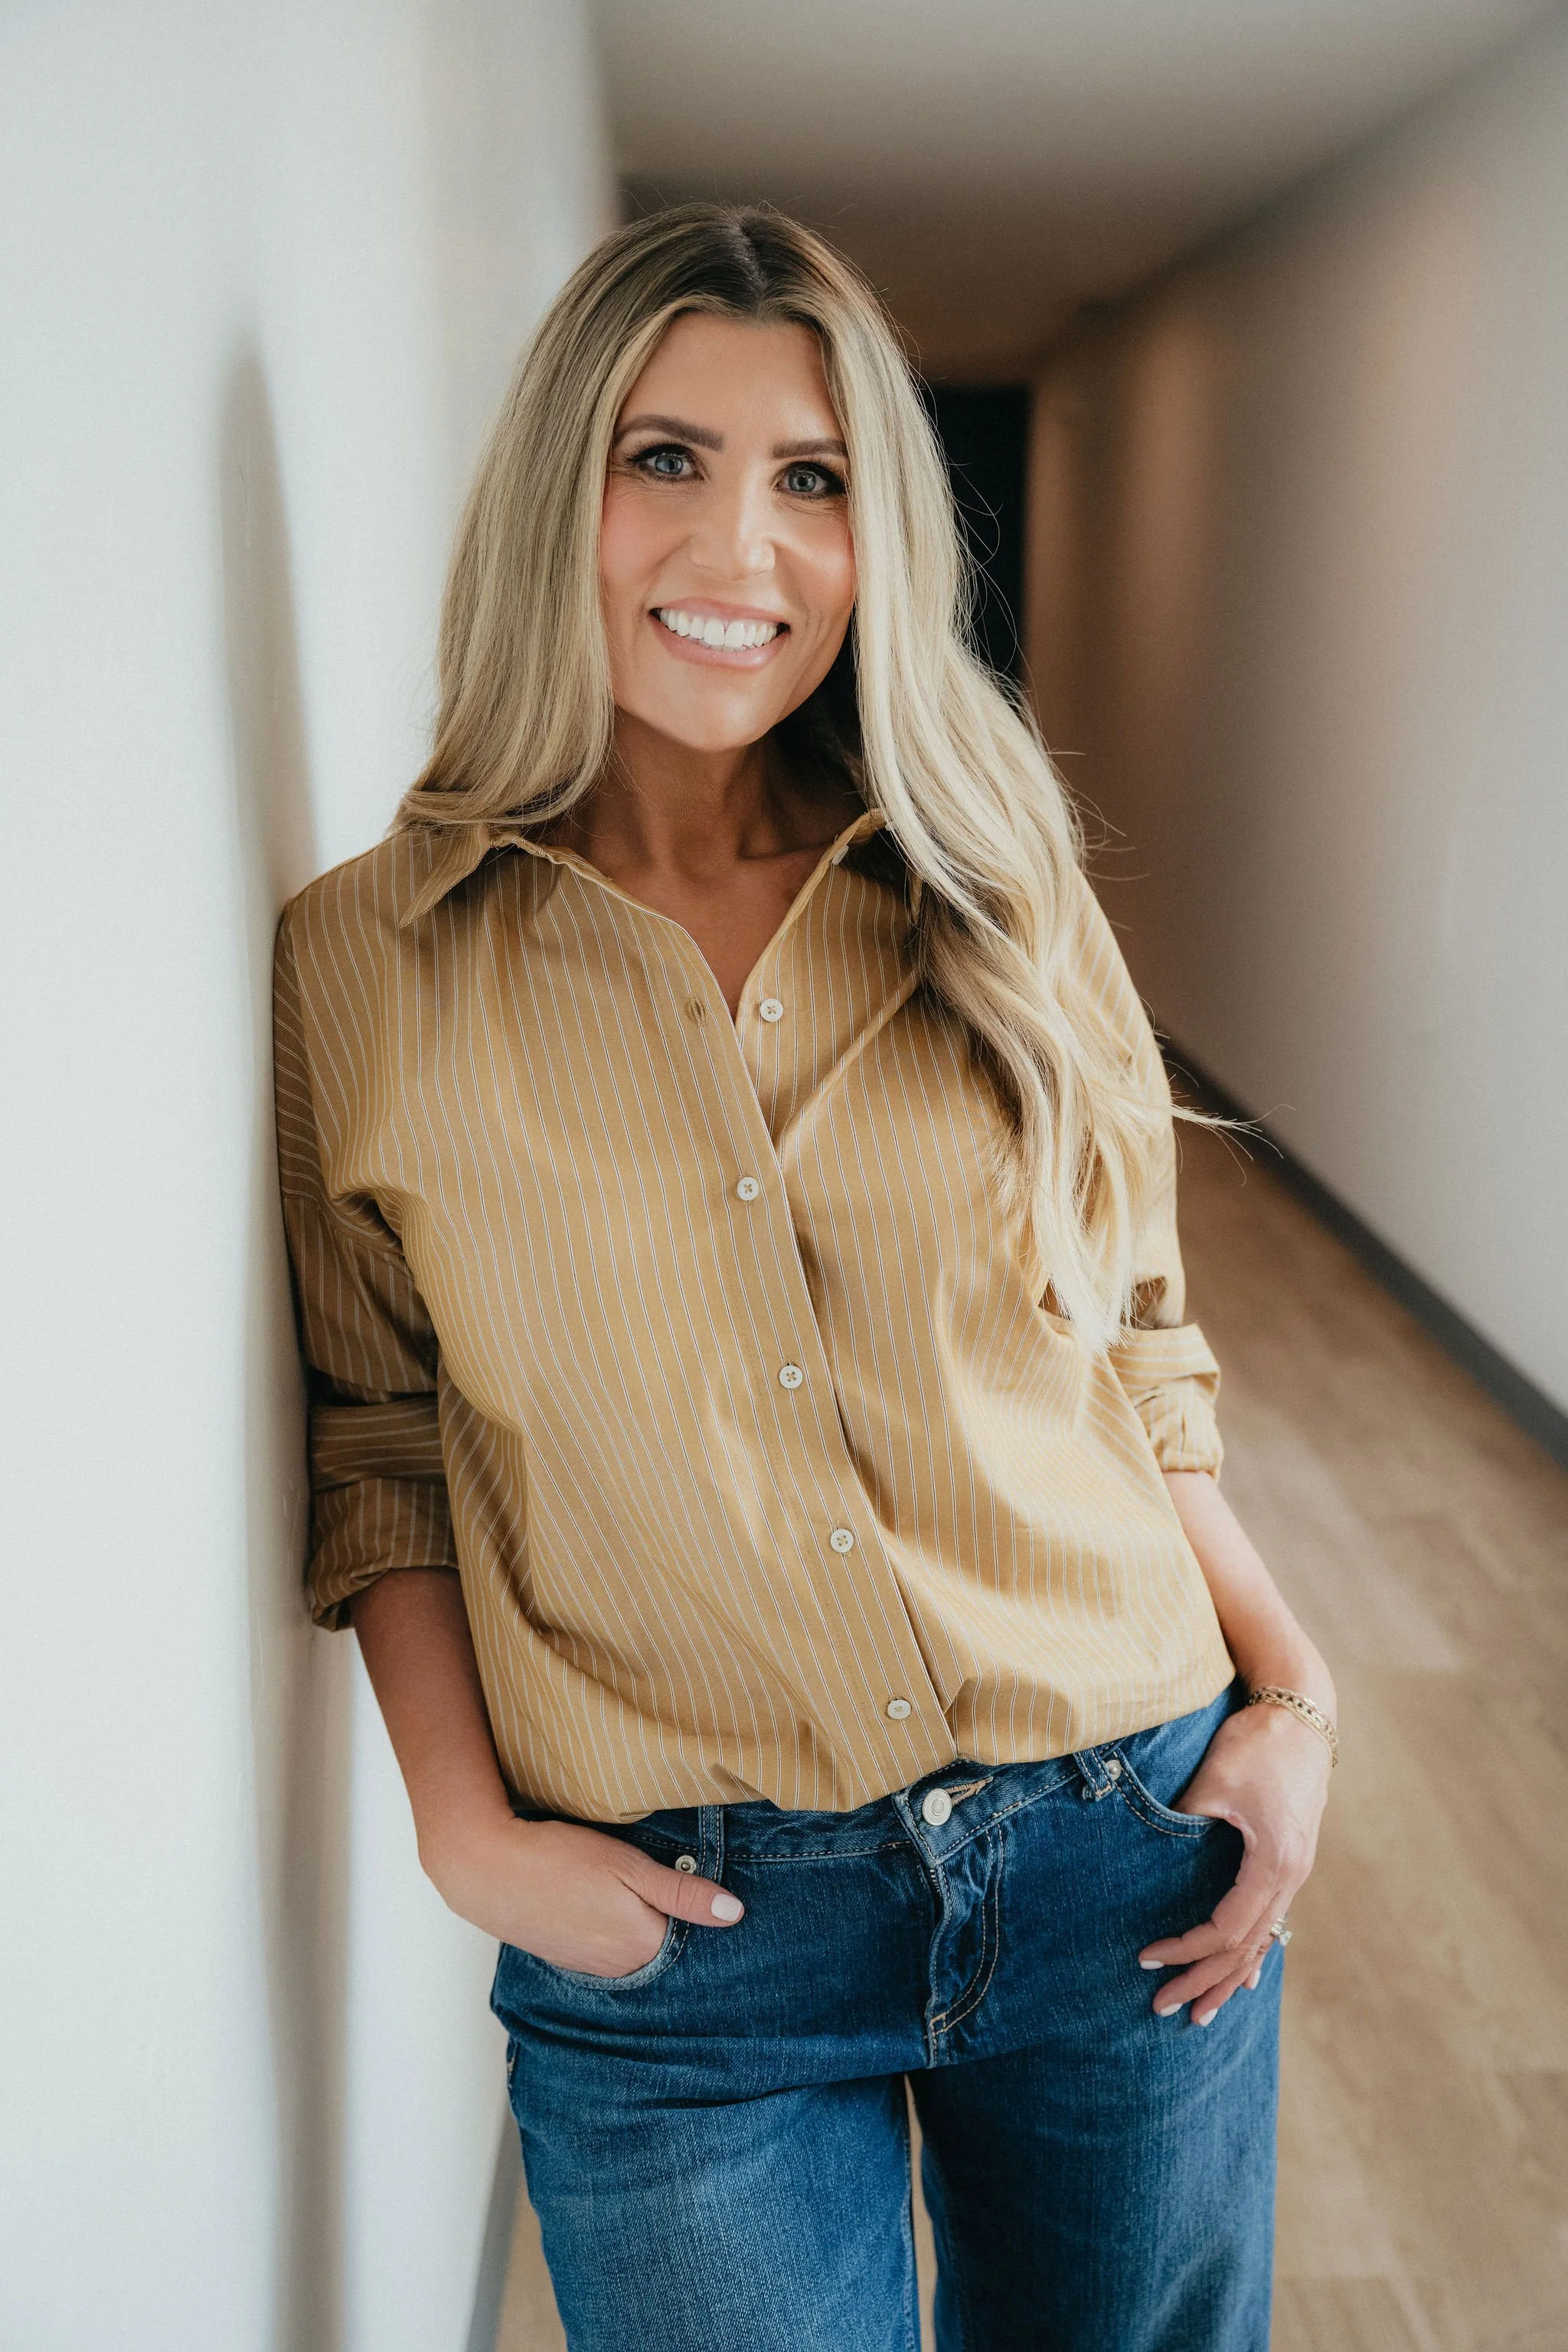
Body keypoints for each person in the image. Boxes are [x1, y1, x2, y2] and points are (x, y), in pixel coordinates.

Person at [273, 203, 1337, 2352]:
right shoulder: (366, 961)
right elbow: (380, 1429)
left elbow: (1133, 1329)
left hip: (1119, 1849)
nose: (736, 544)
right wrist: (465, 1834)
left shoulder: (993, 875)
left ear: (880, 541)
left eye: (814, 476)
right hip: (691, 1942)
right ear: (555, 494)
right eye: (663, 458)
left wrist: (1297, 1700)